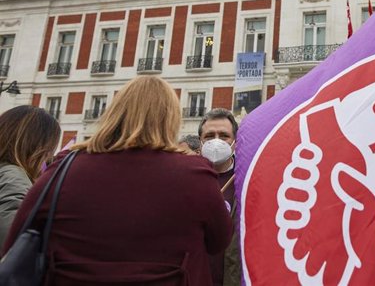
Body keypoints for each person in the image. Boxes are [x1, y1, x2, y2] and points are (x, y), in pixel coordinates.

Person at [2, 76, 232, 285]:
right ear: (170, 119)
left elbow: (18, 236)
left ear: (114, 112)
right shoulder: (195, 175)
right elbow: (219, 241)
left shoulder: (63, 169)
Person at [0, 105, 61, 247]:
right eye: (50, 149)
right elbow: (15, 238)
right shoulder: (13, 175)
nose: (49, 157)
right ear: (38, 147)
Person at [198, 108, 240, 286]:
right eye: (209, 136)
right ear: (200, 142)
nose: (216, 141)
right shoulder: (187, 179)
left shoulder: (247, 179)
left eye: (224, 136)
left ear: (235, 142)